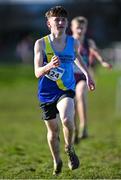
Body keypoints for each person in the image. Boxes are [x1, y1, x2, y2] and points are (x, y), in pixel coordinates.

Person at [34, 6, 95, 175]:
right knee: (53, 132)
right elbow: (37, 72)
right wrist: (48, 66)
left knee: (68, 119)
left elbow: (77, 57)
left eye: (63, 20)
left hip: (66, 89)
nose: (61, 22)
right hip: (47, 93)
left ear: (67, 23)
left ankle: (69, 148)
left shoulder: (72, 42)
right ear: (49, 23)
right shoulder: (41, 43)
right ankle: (57, 160)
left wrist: (87, 75)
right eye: (57, 20)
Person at [71, 16, 112, 143]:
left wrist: (103, 62)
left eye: (82, 28)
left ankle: (84, 126)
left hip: (84, 76)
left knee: (81, 93)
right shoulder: (69, 42)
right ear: (72, 28)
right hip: (70, 77)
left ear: (85, 28)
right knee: (71, 104)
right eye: (77, 28)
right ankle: (75, 130)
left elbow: (97, 53)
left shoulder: (89, 43)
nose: (80, 30)